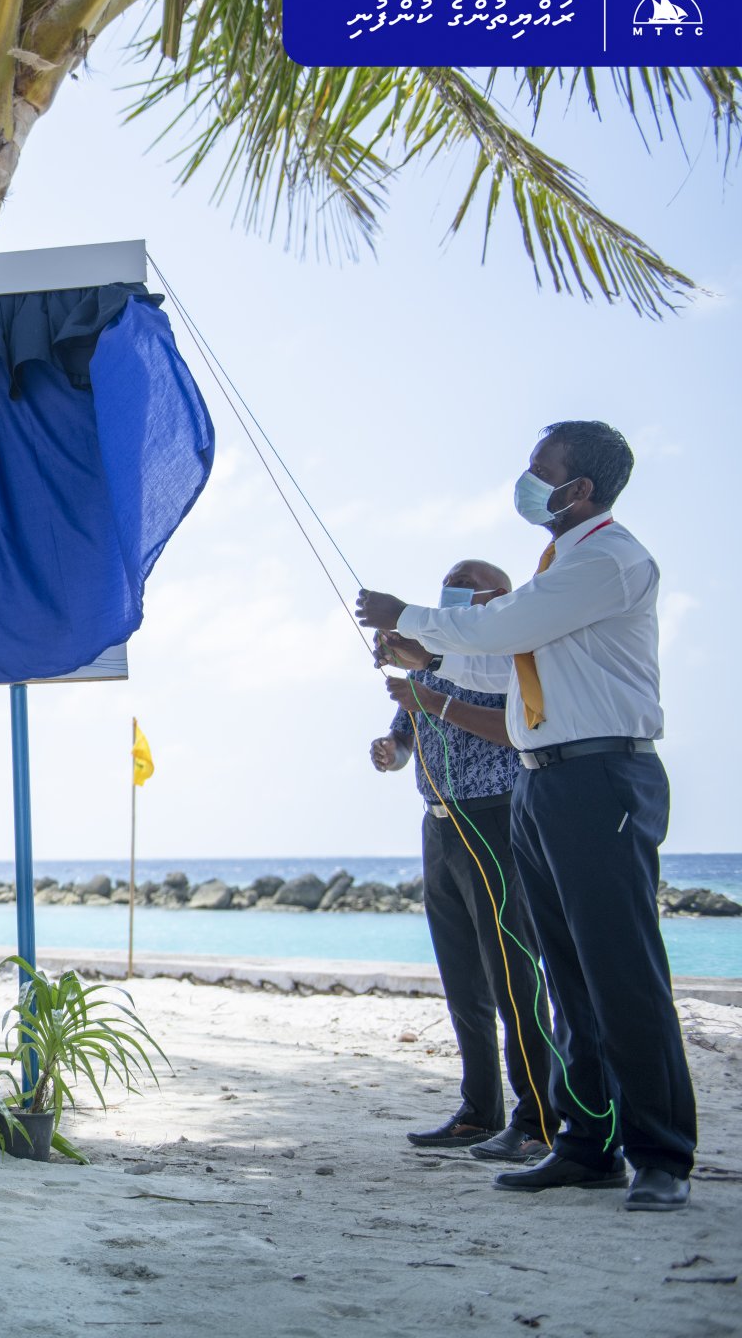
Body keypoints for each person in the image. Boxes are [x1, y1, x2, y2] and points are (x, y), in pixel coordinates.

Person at [357, 420, 694, 1212]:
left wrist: (410, 615)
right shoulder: (563, 564)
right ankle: (585, 1142)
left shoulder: (611, 558)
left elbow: (507, 627)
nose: (528, 479)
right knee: (568, 978)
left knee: (624, 975)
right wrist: (428, 657)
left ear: (578, 490)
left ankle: (661, 1154)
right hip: (544, 783)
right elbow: (508, 661)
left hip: (603, 777)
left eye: (541, 469)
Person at [370, 559, 552, 1165]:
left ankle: (538, 1119)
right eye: (450, 580)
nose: (454, 588)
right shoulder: (437, 654)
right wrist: (390, 750)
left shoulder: (506, 654)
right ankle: (480, 1112)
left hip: (494, 818)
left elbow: (514, 729)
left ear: (498, 595)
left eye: (468, 582)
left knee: (512, 975)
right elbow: (404, 732)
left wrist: (427, 682)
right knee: (462, 984)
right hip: (439, 823)